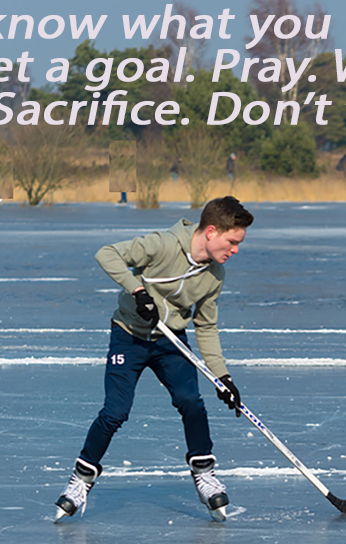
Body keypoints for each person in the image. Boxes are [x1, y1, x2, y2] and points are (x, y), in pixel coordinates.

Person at [54, 196, 255, 522]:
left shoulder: (214, 276)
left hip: (170, 342)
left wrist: (223, 377)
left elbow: (206, 326)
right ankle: (81, 479)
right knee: (115, 411)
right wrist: (137, 291)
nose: (235, 250)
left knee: (191, 400)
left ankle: (204, 473)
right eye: (232, 242)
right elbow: (107, 253)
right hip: (128, 337)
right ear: (211, 231)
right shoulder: (162, 244)